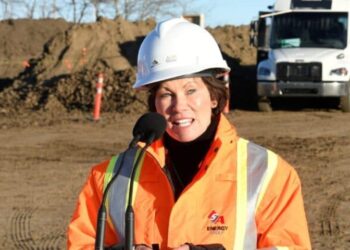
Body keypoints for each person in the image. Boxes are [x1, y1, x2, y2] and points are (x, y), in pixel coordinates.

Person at [67, 18, 311, 250]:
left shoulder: (269, 174)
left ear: (214, 97)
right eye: (166, 94)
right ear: (155, 104)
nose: (179, 106)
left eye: (191, 90)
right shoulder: (108, 178)